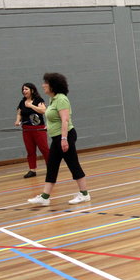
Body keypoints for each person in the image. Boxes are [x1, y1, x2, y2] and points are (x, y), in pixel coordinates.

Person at [28, 73, 91, 206]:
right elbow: (55, 118)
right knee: (52, 166)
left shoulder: (61, 99)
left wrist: (64, 139)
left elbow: (65, 120)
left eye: (46, 83)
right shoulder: (53, 99)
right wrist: (48, 127)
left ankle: (84, 194)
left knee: (73, 164)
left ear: (53, 85)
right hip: (57, 137)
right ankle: (45, 197)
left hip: (65, 136)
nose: (43, 85)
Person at [15, 83, 50, 178]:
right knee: (30, 151)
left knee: (44, 149)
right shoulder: (22, 102)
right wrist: (18, 120)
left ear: (32, 90)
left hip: (38, 129)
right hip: (26, 130)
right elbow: (19, 113)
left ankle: (51, 168)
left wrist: (31, 106)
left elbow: (43, 111)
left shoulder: (39, 100)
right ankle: (32, 170)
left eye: (26, 89)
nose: (24, 91)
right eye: (23, 89)